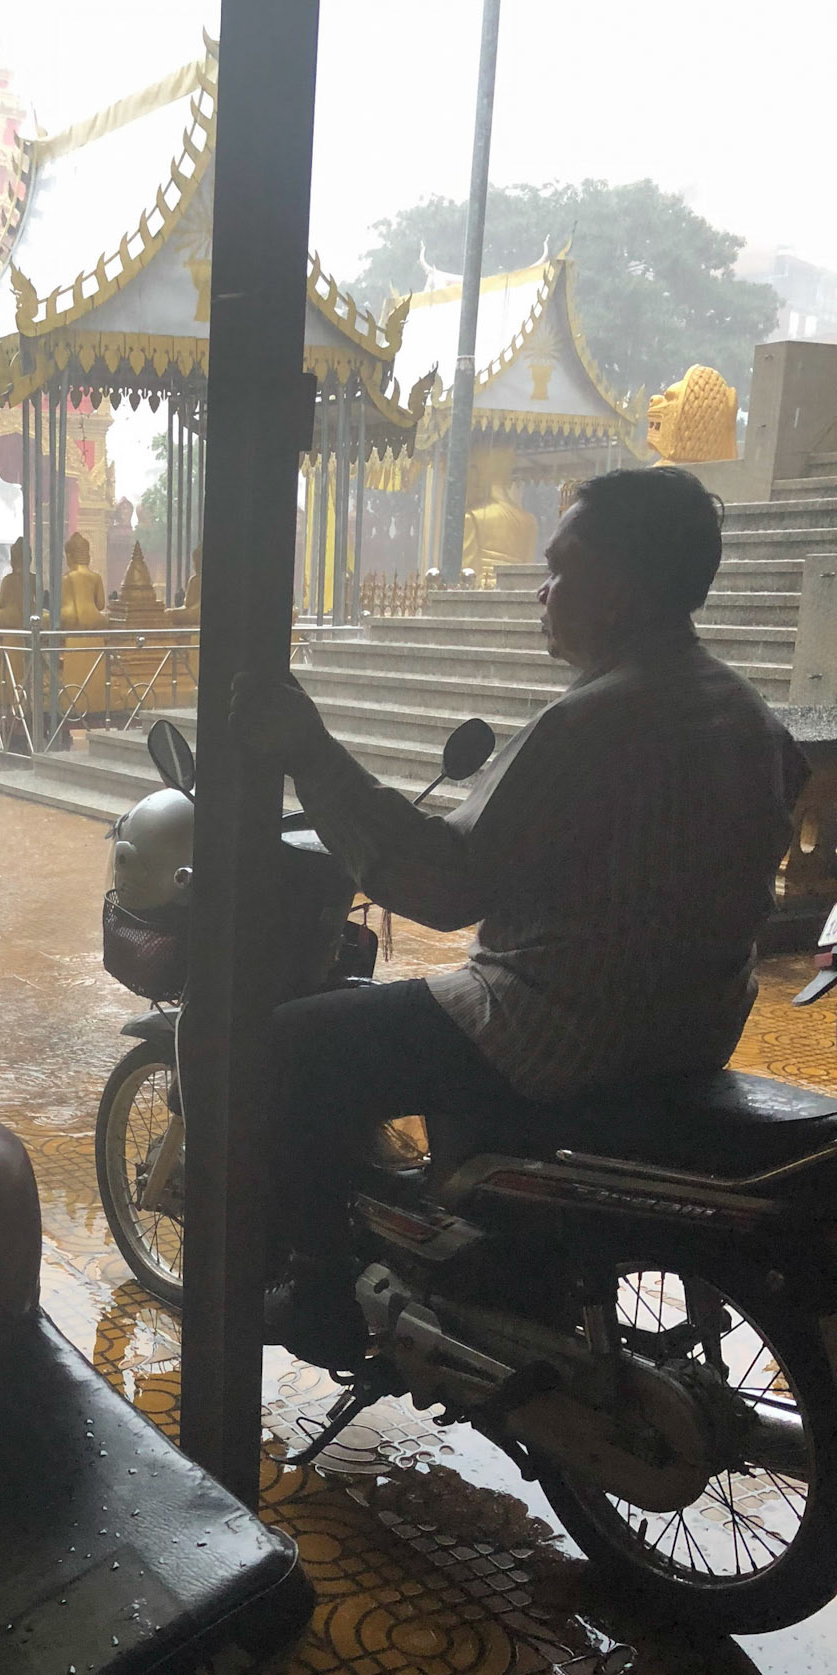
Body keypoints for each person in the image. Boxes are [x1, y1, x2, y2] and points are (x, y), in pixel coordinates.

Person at [232, 465, 808, 1367]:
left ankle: (315, 1294)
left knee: (283, 1047)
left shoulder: (597, 721)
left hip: (556, 1025)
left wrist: (308, 750)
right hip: (694, 1025)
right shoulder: (742, 712)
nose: (543, 589)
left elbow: (443, 880)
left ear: (618, 588)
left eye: (561, 567)